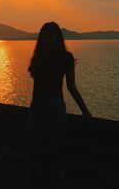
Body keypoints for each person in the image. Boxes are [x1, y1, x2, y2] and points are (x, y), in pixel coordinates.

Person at [26, 21, 92, 188]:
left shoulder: (65, 58)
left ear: (57, 39)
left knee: (50, 148)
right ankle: (42, 177)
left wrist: (85, 111)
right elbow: (37, 89)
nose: (47, 42)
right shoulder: (40, 58)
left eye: (50, 38)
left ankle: (50, 177)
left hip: (53, 107)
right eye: (44, 38)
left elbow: (71, 87)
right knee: (39, 147)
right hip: (40, 106)